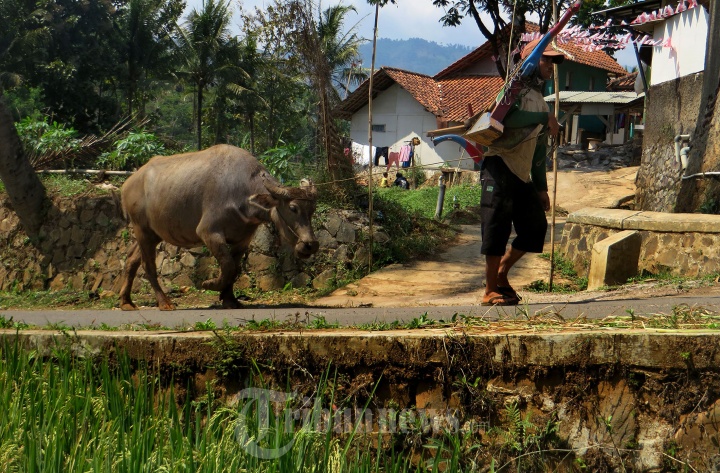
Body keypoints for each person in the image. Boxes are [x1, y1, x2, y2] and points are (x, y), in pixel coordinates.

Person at [479, 38, 563, 306]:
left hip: (521, 174)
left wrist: (541, 188)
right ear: (530, 62)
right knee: (496, 228)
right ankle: (489, 290)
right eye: (545, 59)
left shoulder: (541, 102)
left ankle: (503, 272)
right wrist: (543, 119)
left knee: (536, 227)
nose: (550, 65)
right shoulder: (511, 91)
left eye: (553, 61)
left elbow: (538, 151)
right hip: (499, 164)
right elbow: (507, 120)